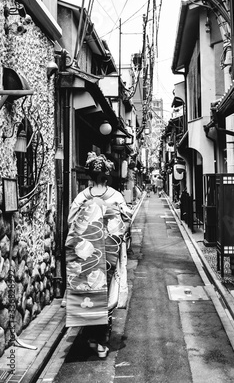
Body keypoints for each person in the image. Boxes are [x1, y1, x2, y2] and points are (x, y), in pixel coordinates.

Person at [65, 152, 133, 358]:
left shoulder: (81, 197)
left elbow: (71, 222)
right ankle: (101, 340)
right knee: (108, 295)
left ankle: (91, 337)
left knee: (88, 293)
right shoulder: (116, 197)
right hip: (108, 254)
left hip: (85, 255)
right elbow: (126, 220)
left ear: (90, 177)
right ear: (107, 176)